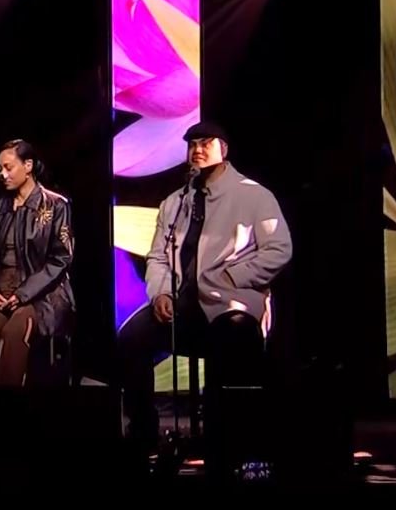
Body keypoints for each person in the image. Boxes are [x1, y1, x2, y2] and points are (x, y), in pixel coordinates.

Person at [117, 120, 292, 446]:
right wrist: (160, 294)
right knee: (130, 340)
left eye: (205, 143)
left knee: (231, 339)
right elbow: (158, 256)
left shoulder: (253, 195)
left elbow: (279, 250)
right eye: (192, 144)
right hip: (183, 304)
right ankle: (143, 433)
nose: (197, 150)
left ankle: (223, 438)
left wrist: (234, 277)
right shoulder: (175, 202)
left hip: (231, 302)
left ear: (223, 150)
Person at [0, 140, 75, 420]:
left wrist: (24, 294)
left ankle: (8, 417)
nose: (3, 174)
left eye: (8, 167)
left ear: (28, 166)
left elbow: (61, 258)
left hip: (40, 295)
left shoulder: (55, 205)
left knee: (15, 334)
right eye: (0, 168)